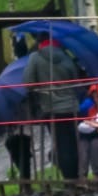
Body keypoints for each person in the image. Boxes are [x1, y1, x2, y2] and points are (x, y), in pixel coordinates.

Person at [20, 29, 83, 179]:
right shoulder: (66, 56)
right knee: (73, 144)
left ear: (40, 42)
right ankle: (78, 175)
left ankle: (70, 179)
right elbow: (75, 79)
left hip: (52, 108)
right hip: (72, 107)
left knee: (61, 145)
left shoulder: (35, 57)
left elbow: (28, 83)